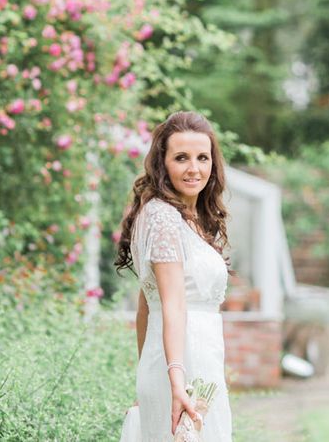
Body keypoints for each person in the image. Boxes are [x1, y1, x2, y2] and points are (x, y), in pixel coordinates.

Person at [116, 111, 233, 441]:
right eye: (181, 158)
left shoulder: (184, 217)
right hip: (183, 365)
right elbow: (171, 306)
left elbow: (144, 307)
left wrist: (148, 373)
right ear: (162, 163)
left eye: (202, 157)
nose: (194, 168)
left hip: (190, 363)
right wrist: (176, 381)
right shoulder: (164, 217)